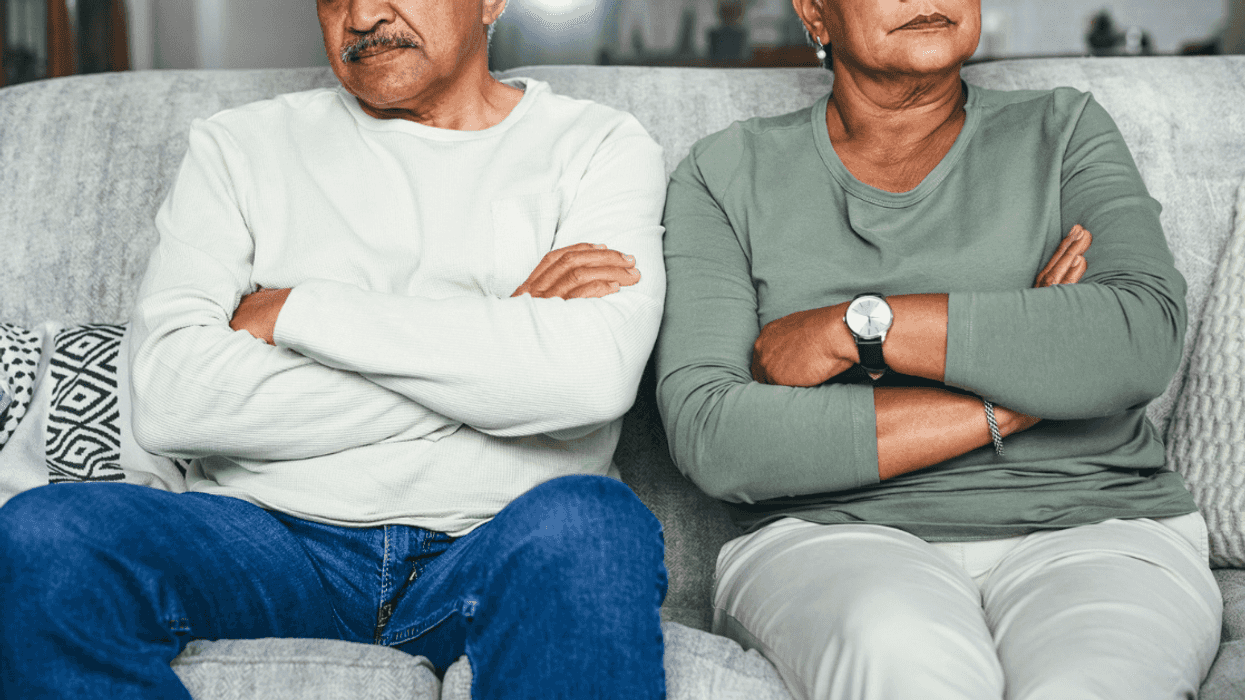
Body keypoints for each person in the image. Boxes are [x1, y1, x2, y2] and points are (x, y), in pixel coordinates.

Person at [0, 0, 669, 698]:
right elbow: (172, 401)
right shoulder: (238, 146)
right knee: (49, 532)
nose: (361, 15)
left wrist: (297, 310)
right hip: (268, 541)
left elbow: (588, 383)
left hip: (496, 539)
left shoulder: (598, 145)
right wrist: (501, 354)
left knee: (593, 525)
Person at [656, 0, 1221, 698]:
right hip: (830, 537)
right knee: (903, 664)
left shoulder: (1063, 129)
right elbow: (716, 436)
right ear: (813, 12)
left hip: (1098, 525)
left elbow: (1136, 339)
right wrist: (1022, 390)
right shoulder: (725, 172)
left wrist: (858, 328)